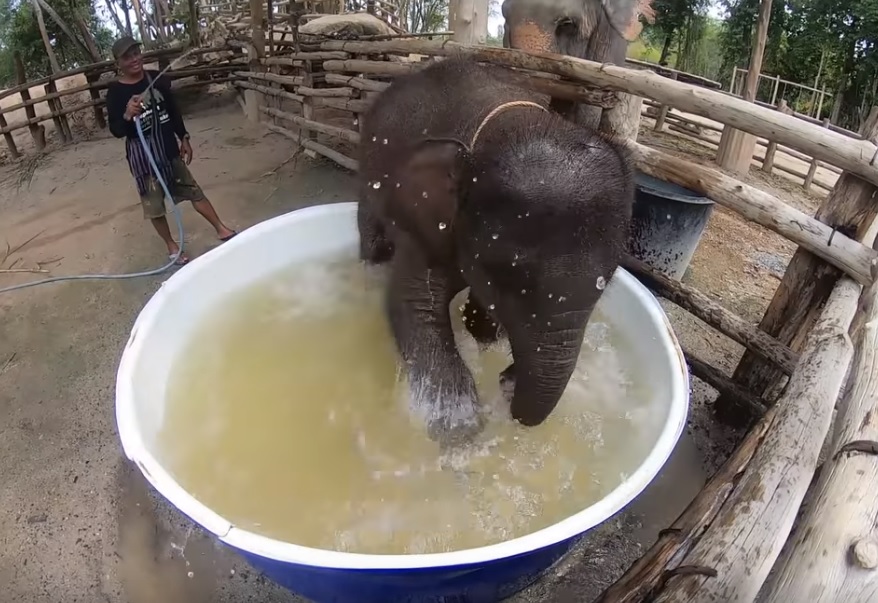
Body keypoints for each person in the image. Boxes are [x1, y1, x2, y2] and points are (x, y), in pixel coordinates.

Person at [106, 36, 237, 265]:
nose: (134, 59)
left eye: (136, 53)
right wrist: (127, 114)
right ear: (118, 62)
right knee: (155, 206)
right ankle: (172, 246)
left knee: (194, 190)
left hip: (169, 149)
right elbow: (117, 129)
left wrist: (184, 137)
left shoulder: (157, 79)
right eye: (127, 57)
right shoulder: (115, 92)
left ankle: (221, 228)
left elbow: (174, 112)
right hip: (144, 158)